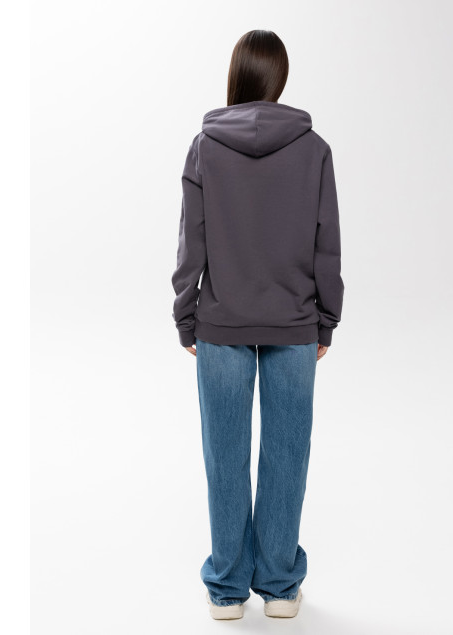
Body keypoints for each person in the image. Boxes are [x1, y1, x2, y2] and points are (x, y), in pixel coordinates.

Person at [171, 29, 345, 621]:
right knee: (286, 456)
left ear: (237, 76)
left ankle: (226, 590)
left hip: (221, 321)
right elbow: (327, 244)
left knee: (224, 457)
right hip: (294, 323)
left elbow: (191, 243)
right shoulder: (314, 149)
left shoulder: (205, 147)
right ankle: (279, 587)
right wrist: (326, 321)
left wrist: (185, 315)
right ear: (279, 78)